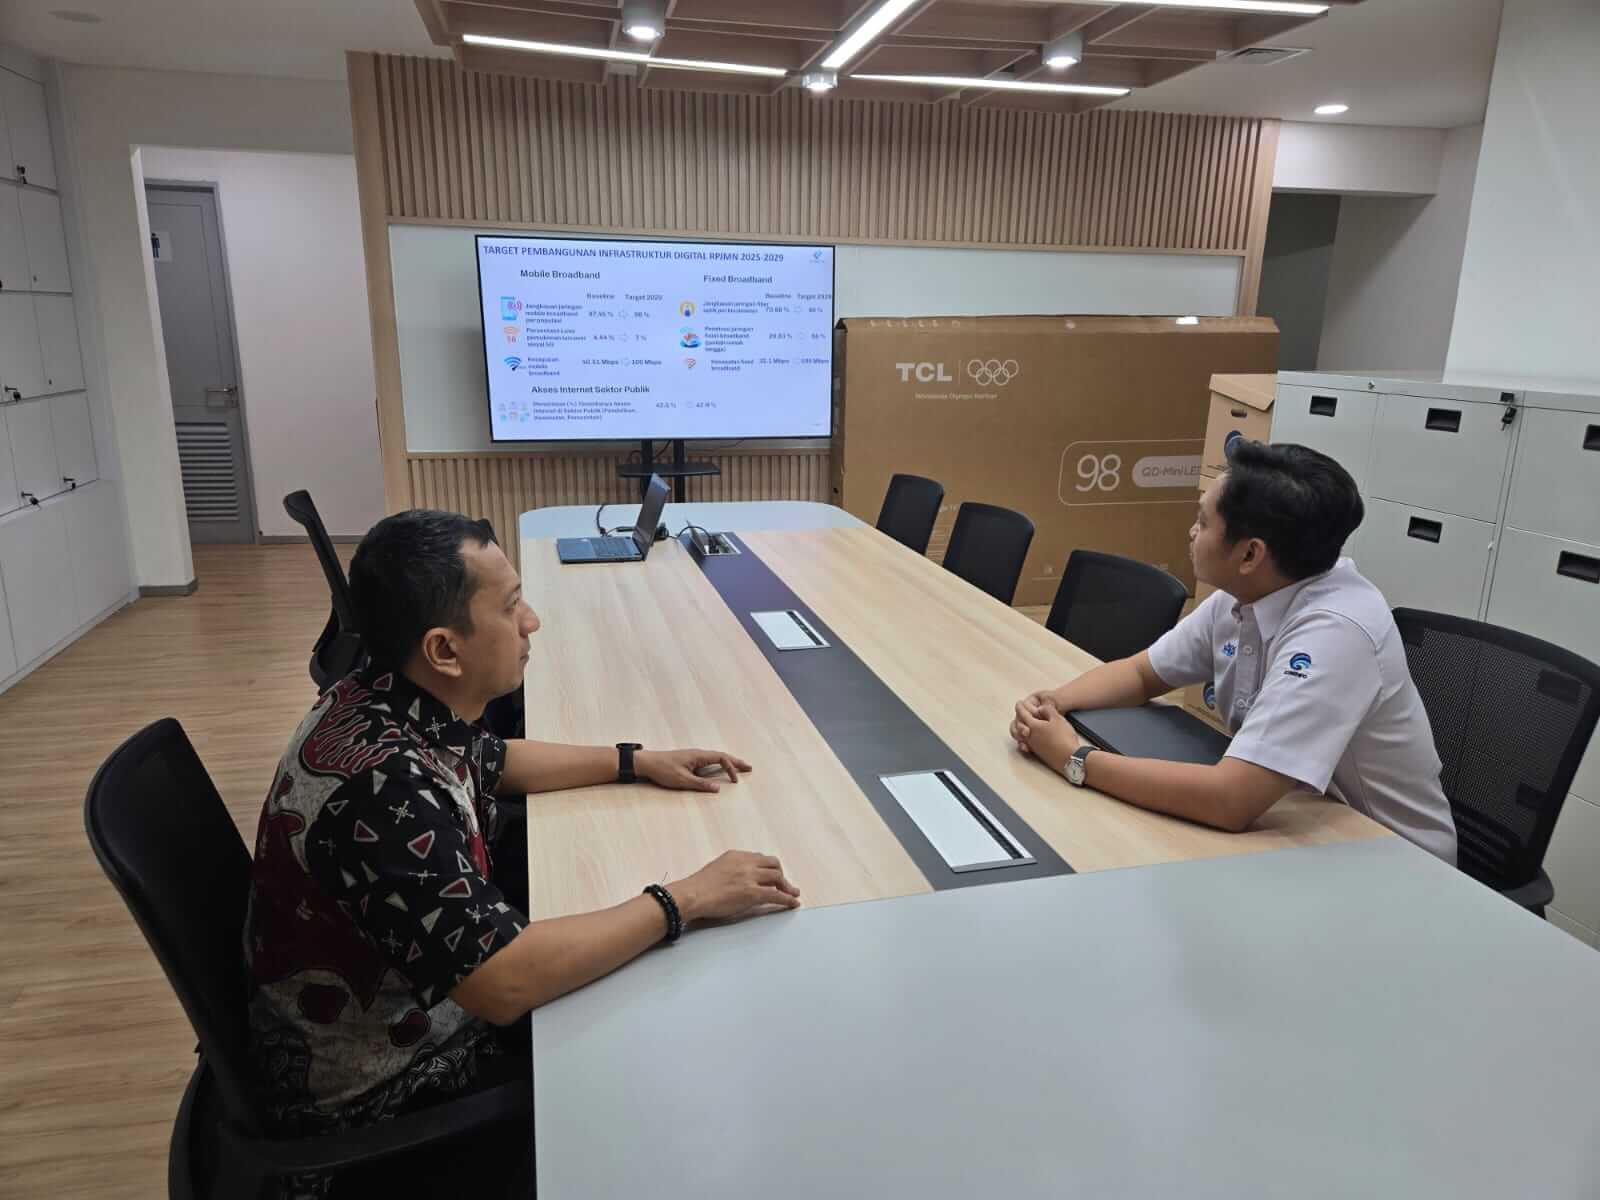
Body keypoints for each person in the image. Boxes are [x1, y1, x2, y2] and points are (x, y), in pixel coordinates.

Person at [243, 510, 800, 1186]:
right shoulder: (382, 795)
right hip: (386, 1101)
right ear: (445, 650)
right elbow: (503, 982)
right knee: (686, 1062)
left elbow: (493, 758)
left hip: (411, 1017)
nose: (532, 621)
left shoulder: (383, 695)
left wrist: (634, 761)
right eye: (510, 608)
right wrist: (685, 898)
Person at [1010, 440, 1457, 863]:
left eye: (1203, 522)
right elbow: (1143, 673)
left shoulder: (1337, 632)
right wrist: (1054, 703)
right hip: (1297, 820)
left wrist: (1075, 758)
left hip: (1391, 861)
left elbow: (1230, 800)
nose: (1191, 532)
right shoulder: (1248, 592)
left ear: (1250, 554)